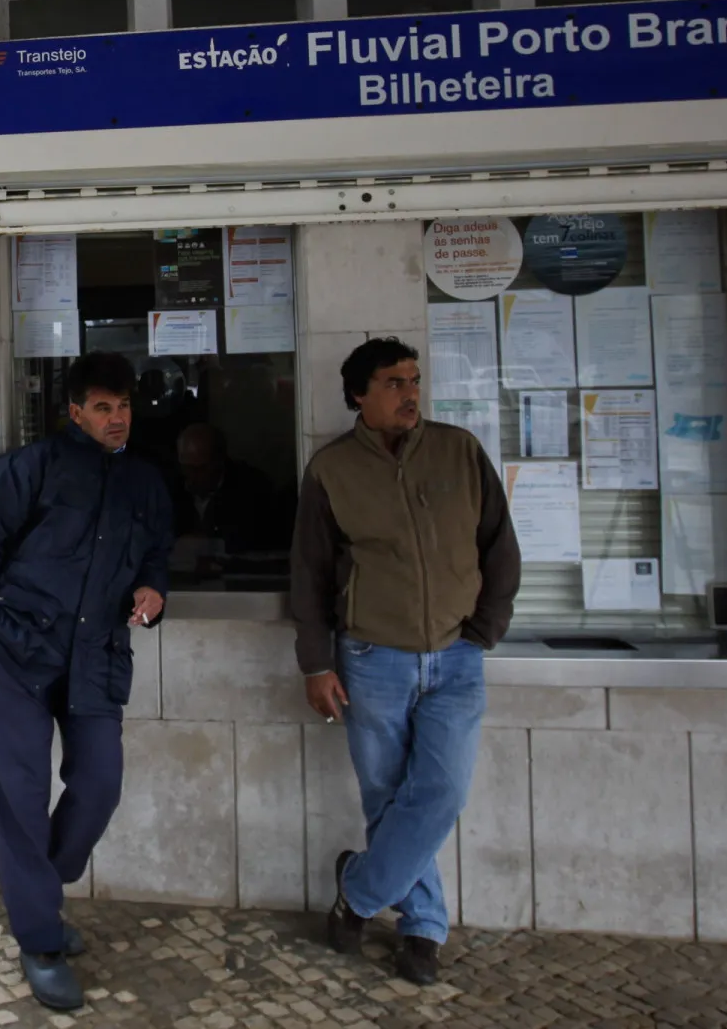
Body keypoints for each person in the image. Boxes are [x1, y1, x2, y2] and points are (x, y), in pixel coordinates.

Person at [290, 337, 520, 986]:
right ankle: (422, 926)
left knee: (441, 791)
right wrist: (316, 663)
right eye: (393, 382)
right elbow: (308, 575)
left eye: (414, 380)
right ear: (359, 394)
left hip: (456, 657)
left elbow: (501, 546)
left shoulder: (458, 452)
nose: (409, 392)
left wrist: (485, 630)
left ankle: (358, 892)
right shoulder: (332, 469)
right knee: (388, 799)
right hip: (370, 656)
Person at [0, 350, 174, 1012]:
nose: (116, 419)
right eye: (102, 407)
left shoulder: (146, 483)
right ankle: (40, 938)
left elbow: (158, 554)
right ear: (74, 411)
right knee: (19, 793)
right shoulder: (31, 468)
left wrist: (154, 590)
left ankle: (41, 882)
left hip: (96, 653)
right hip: (13, 652)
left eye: (124, 406)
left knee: (100, 782)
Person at [171, 422, 291, 556]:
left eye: (200, 469)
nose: (191, 476)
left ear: (219, 461)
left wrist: (209, 544)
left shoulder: (252, 489)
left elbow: (262, 540)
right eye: (186, 467)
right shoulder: (170, 489)